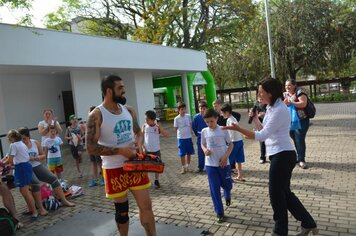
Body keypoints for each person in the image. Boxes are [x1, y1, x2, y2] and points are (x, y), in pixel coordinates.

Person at [223, 78, 318, 236]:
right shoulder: (272, 107)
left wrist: (239, 129)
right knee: (285, 193)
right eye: (258, 92)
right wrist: (254, 119)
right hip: (278, 154)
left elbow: (261, 136)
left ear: (271, 93)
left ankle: (280, 231)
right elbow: (265, 130)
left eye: (261, 92)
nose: (259, 95)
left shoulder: (280, 109)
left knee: (276, 194)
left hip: (283, 155)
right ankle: (308, 223)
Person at [86, 75, 156, 236]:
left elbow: (138, 132)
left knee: (146, 206)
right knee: (122, 212)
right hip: (114, 169)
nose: (124, 91)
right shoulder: (97, 115)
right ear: (108, 91)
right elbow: (90, 147)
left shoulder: (128, 110)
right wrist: (120, 151)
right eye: (120, 88)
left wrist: (139, 144)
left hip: (135, 165)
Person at [18, 127, 75, 214]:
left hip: (37, 165)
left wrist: (38, 157)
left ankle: (64, 200)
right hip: (26, 168)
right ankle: (41, 208)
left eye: (24, 138)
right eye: (21, 139)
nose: (23, 141)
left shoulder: (35, 143)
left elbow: (43, 155)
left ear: (29, 136)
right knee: (36, 183)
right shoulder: (19, 146)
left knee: (53, 179)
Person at [201, 108, 233, 223]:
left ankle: (227, 194)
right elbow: (203, 144)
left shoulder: (223, 130)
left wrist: (225, 157)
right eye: (207, 122)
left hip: (224, 164)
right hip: (210, 165)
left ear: (217, 119)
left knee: (227, 185)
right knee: (214, 189)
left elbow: (230, 145)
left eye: (211, 121)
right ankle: (219, 212)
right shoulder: (204, 131)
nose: (209, 124)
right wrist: (205, 150)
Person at [4, 130, 38, 221]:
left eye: (8, 136)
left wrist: (2, 164)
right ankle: (31, 209)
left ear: (13, 138)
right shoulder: (21, 143)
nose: (7, 138)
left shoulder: (13, 145)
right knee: (23, 191)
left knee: (25, 191)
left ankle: (34, 212)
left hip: (22, 167)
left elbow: (10, 160)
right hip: (25, 167)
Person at [284, 79, 310, 169]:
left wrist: (291, 102)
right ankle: (299, 157)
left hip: (302, 120)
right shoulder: (285, 95)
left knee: (299, 139)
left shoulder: (300, 93)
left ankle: (301, 160)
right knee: (295, 138)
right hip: (290, 121)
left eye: (289, 85)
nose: (287, 87)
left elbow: (303, 104)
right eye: (286, 85)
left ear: (294, 85)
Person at [142, 110, 169, 189]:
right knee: (145, 167)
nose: (145, 121)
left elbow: (167, 135)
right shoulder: (144, 126)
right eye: (145, 119)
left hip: (156, 150)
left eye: (147, 119)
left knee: (157, 167)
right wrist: (143, 148)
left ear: (153, 120)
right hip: (147, 150)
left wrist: (160, 127)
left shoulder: (157, 127)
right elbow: (141, 137)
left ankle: (156, 180)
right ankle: (146, 181)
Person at [221, 103, 246, 181]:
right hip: (239, 141)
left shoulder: (230, 120)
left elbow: (231, 131)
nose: (222, 114)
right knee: (239, 160)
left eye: (223, 112)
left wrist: (228, 142)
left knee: (228, 160)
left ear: (227, 112)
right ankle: (240, 175)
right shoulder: (233, 118)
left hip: (234, 142)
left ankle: (229, 177)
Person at [173, 102, 195, 174]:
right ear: (178, 110)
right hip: (181, 138)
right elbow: (175, 128)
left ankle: (188, 166)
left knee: (189, 152)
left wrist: (191, 131)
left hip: (188, 137)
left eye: (184, 109)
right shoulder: (176, 118)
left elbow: (190, 124)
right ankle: (183, 167)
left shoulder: (188, 116)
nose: (183, 111)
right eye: (182, 109)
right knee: (182, 153)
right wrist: (180, 133)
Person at [87, 106, 104, 187]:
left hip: (97, 146)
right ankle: (95, 180)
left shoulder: (98, 123)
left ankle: (104, 178)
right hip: (91, 146)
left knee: (99, 163)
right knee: (93, 163)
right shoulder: (88, 124)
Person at [191, 100, 208, 173]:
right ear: (199, 109)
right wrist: (197, 134)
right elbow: (194, 127)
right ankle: (200, 167)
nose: (202, 110)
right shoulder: (196, 117)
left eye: (204, 108)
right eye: (201, 108)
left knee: (209, 151)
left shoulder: (209, 116)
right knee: (200, 152)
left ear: (206, 109)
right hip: (200, 136)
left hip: (208, 136)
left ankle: (209, 166)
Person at [255, 100, 267, 164]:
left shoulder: (269, 104)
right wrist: (258, 115)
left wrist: (265, 114)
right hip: (260, 124)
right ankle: (262, 157)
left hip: (268, 125)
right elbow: (255, 114)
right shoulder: (257, 105)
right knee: (262, 141)